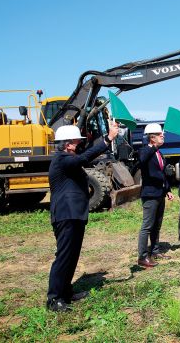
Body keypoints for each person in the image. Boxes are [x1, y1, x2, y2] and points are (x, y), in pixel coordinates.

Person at [47, 122, 119, 312]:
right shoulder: (62, 159)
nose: (79, 144)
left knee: (72, 255)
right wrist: (108, 139)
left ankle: (66, 292)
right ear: (67, 144)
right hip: (66, 215)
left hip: (75, 214)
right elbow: (84, 158)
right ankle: (54, 299)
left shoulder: (68, 159)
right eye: (76, 142)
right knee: (64, 256)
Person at [137, 123, 175, 268]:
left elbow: (162, 174)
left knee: (156, 225)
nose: (163, 136)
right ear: (152, 138)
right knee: (147, 226)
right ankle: (142, 256)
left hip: (160, 193)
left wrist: (168, 190)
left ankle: (155, 251)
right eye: (160, 135)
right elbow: (142, 160)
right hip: (150, 194)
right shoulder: (145, 151)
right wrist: (152, 147)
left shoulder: (159, 153)